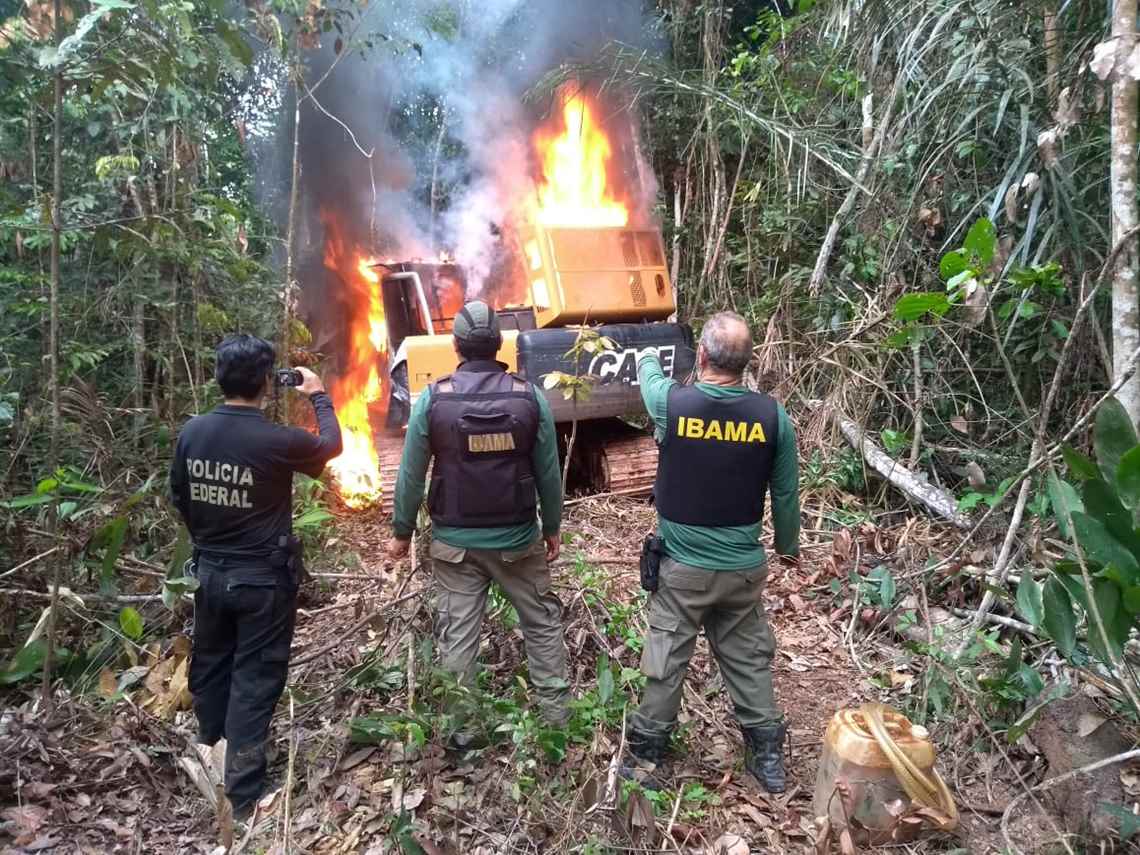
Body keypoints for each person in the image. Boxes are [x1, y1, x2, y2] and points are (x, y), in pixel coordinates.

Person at [170, 334, 343, 819]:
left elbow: (179, 496)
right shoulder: (276, 440)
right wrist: (318, 395)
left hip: (209, 574)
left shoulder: (193, 432)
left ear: (219, 377)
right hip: (262, 582)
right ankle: (243, 796)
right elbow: (331, 445)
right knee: (255, 677)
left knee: (211, 666)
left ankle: (211, 756)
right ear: (268, 381)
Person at [626, 311, 800, 793]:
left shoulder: (671, 403)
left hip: (682, 572)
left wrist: (648, 348)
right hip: (742, 572)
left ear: (701, 355)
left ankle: (646, 758)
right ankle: (767, 759)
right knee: (747, 658)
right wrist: (788, 547)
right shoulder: (773, 417)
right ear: (748, 362)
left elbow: (648, 377)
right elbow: (786, 494)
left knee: (666, 658)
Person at [387, 300, 570, 734]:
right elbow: (549, 471)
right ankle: (556, 724)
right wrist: (552, 527)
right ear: (499, 344)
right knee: (542, 625)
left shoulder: (434, 399)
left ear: (456, 346)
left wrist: (401, 531)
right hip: (518, 542)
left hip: (455, 546)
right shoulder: (529, 397)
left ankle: (463, 733)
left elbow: (411, 473)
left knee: (459, 637)